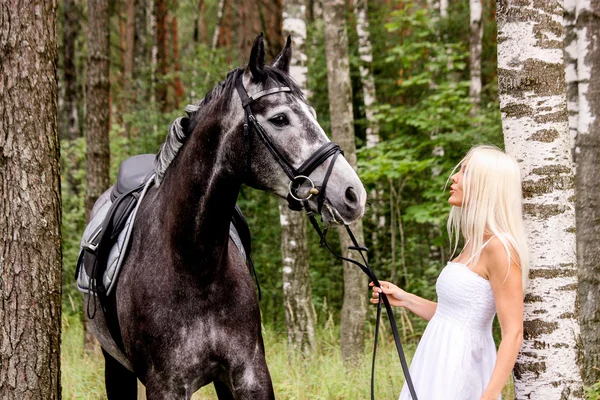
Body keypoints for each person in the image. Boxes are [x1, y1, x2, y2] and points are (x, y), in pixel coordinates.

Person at [371, 145, 529, 400]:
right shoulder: (474, 243)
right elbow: (455, 318)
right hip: (435, 360)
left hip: (462, 369)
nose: (454, 177)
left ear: (487, 185)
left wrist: (489, 396)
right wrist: (405, 299)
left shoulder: (499, 248)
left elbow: (513, 333)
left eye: (465, 172)